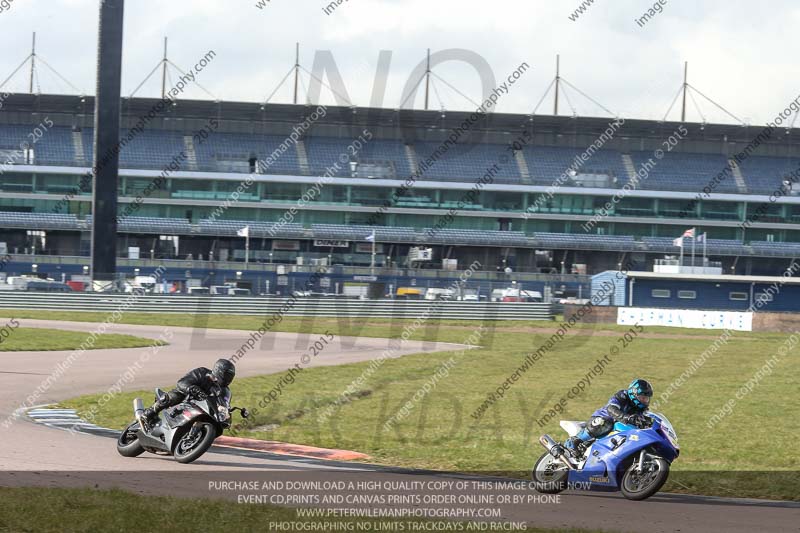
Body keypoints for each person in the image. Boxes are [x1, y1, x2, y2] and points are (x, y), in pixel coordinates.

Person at [563, 378, 653, 457]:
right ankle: (575, 441)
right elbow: (611, 409)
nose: (645, 401)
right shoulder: (622, 396)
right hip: (601, 419)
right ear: (633, 394)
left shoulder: (642, 409)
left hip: (618, 429)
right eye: (642, 398)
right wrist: (627, 418)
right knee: (605, 422)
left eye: (646, 398)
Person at [143, 359, 236, 423]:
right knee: (175, 396)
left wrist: (227, 410)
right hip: (186, 398)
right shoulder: (202, 372)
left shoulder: (225, 391)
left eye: (230, 376)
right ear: (219, 371)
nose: (229, 379)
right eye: (227, 375)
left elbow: (225, 403)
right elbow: (182, 382)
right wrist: (191, 388)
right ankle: (149, 413)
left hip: (203, 408)